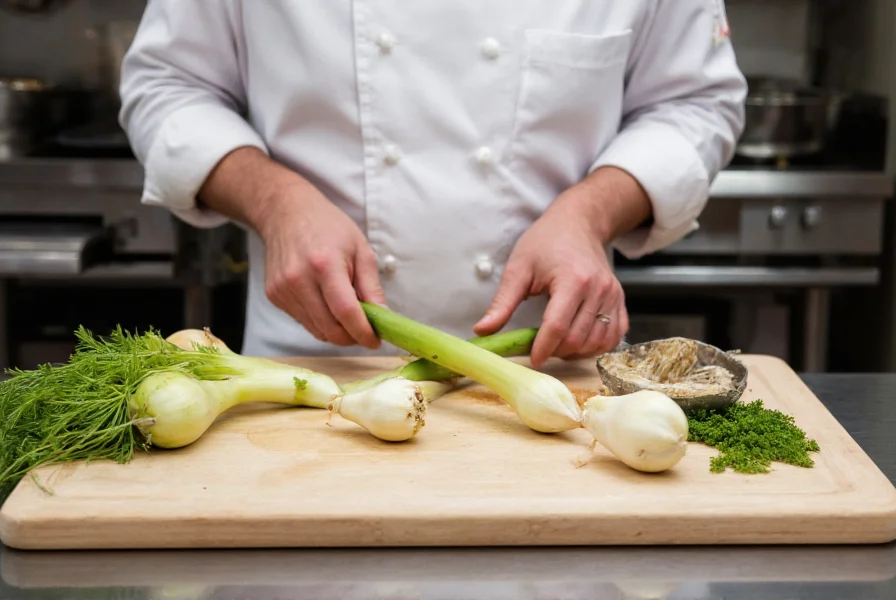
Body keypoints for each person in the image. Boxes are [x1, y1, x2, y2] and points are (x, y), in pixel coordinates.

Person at [119, 1, 746, 368]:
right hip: (313, 369)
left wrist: (590, 214)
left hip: (557, 372)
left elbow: (695, 104)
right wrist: (276, 202)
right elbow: (167, 87)